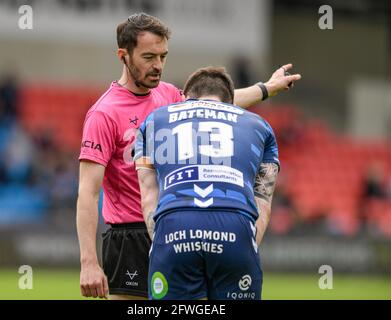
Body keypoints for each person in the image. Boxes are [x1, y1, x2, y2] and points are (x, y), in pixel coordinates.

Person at [76, 12, 300, 300]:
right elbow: (87, 192)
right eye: (148, 57)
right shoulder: (104, 114)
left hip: (176, 226)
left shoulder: (168, 95)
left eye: (163, 56)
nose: (158, 66)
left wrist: (267, 88)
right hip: (130, 237)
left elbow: (219, 105)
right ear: (123, 55)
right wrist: (88, 262)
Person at [134, 66, 279, 300]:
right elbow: (263, 199)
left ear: (186, 98)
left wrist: (163, 241)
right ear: (230, 102)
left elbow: (149, 193)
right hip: (235, 226)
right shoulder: (260, 126)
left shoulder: (154, 121)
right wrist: (245, 244)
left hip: (174, 226)